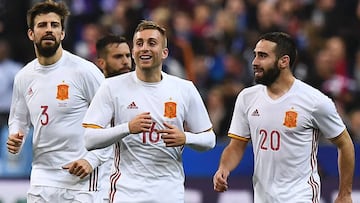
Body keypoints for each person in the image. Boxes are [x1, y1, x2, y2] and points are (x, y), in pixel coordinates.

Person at [83, 20, 216, 203]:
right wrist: (127, 128)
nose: (144, 48)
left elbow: (209, 139)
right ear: (133, 52)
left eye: (152, 43)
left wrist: (186, 138)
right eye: (139, 44)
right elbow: (89, 139)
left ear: (164, 53)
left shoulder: (184, 89)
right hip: (126, 193)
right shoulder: (111, 87)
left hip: (169, 193)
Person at [213, 32, 355, 203]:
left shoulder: (314, 101)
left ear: (284, 61)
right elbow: (236, 146)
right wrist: (224, 168)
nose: (255, 62)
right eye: (255, 55)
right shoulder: (247, 98)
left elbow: (345, 143)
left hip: (301, 197)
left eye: (263, 56)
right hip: (263, 198)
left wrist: (345, 193)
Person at [6, 1, 109, 202]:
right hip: (42, 176)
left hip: (83, 176)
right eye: (42, 25)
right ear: (31, 34)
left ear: (62, 33)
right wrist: (15, 136)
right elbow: (18, 120)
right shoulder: (24, 76)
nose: (49, 30)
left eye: (54, 25)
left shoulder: (84, 72)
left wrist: (92, 159)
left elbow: (112, 120)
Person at [95, 34, 132, 202]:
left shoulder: (143, 92)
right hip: (98, 182)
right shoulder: (94, 94)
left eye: (127, 55)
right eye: (118, 56)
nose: (125, 61)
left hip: (133, 183)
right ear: (101, 63)